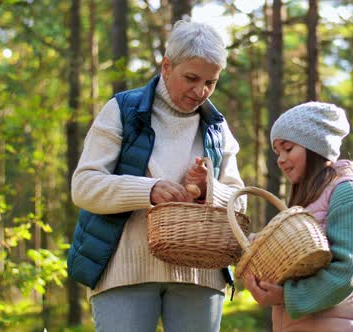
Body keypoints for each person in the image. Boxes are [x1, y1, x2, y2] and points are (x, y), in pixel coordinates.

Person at [66, 19, 246, 332]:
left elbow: (239, 202)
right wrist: (148, 191)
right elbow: (84, 187)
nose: (200, 91)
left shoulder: (217, 127)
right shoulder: (122, 110)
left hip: (200, 274)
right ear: (166, 66)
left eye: (210, 82)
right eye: (191, 78)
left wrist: (209, 189)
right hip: (125, 271)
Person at [243, 102, 353, 332]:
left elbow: (348, 271)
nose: (280, 159)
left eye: (288, 148)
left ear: (316, 147)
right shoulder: (308, 204)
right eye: (277, 152)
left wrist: (287, 296)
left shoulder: (349, 194)